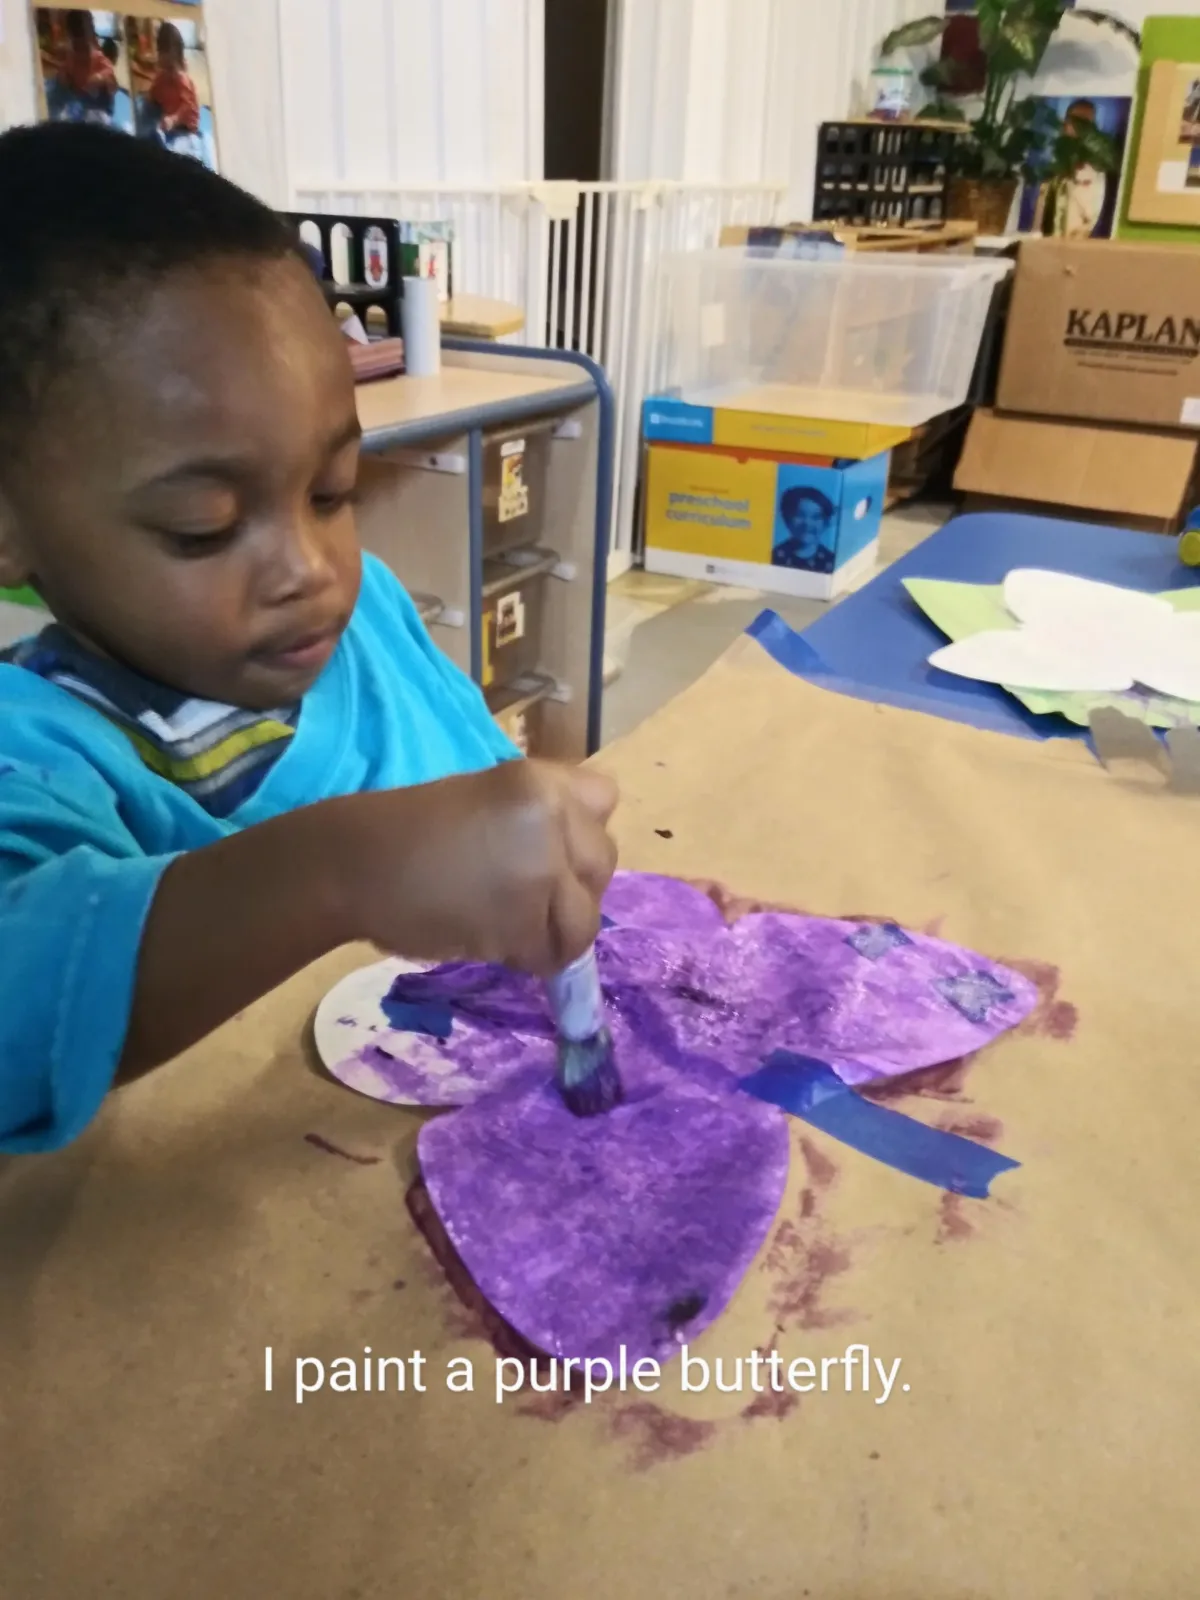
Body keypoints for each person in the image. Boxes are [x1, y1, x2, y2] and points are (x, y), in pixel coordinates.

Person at [0, 123, 617, 1154]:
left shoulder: (367, 612)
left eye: (332, 491)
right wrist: (341, 871)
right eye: (203, 525)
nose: (310, 567)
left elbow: (480, 782)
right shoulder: (37, 755)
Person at [144, 21, 202, 157]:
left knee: (180, 151)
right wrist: (150, 98)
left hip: (185, 129)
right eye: (160, 51)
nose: (162, 57)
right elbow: (154, 95)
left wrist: (173, 119)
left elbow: (187, 107)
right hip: (168, 127)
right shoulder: (161, 77)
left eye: (165, 52)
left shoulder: (181, 78)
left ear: (175, 55)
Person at [50, 10, 118, 124]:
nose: (81, 54)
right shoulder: (70, 58)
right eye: (77, 48)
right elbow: (64, 80)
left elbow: (111, 78)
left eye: (84, 48)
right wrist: (63, 77)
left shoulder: (98, 58)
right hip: (75, 100)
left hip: (96, 103)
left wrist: (100, 78)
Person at [773, 485, 838, 573]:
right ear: (787, 518)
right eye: (799, 515)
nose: (807, 523)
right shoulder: (774, 556)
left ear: (826, 523)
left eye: (816, 517)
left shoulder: (832, 561)